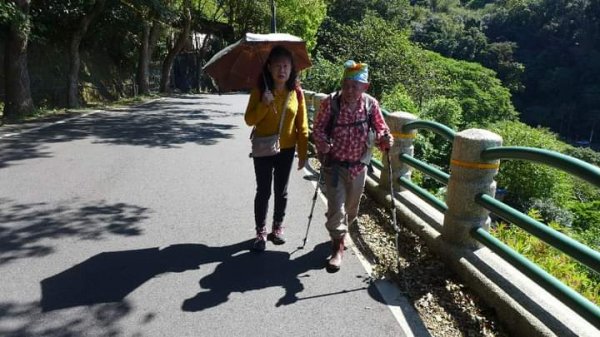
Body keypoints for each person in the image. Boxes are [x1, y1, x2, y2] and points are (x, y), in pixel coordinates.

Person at [312, 60, 393, 272]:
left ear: (365, 87)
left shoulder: (370, 105)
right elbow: (318, 128)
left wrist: (386, 139)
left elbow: (381, 128)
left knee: (351, 208)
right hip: (334, 166)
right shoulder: (331, 102)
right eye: (346, 84)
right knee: (336, 208)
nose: (349, 90)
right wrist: (323, 143)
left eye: (354, 86)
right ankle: (337, 247)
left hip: (359, 165)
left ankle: (341, 228)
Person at [244, 46, 309, 252]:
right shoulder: (260, 91)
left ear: (292, 70)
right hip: (263, 146)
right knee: (263, 191)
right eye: (278, 66)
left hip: (287, 150)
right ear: (269, 67)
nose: (282, 70)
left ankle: (277, 227)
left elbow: (303, 126)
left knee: (281, 191)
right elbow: (249, 120)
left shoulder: (296, 93)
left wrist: (303, 153)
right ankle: (260, 232)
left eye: (286, 66)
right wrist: (264, 104)